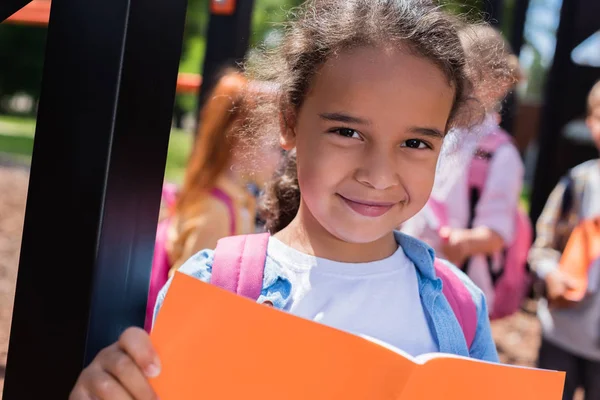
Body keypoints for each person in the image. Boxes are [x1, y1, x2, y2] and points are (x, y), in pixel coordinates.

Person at [69, 1, 511, 398]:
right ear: (289, 122)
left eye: (416, 143)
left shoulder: (459, 307)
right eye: (347, 132)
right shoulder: (213, 287)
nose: (378, 175)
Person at [400, 25, 526, 314]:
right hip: (411, 268)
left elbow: (497, 231)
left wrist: (465, 242)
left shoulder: (500, 154)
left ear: (498, 85)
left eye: (467, 80)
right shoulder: (439, 135)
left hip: (459, 286)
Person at [145, 70, 280, 330]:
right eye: (275, 147)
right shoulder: (215, 212)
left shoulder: (237, 202)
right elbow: (183, 301)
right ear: (242, 140)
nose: (280, 160)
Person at [528, 79, 600, 400]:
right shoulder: (577, 183)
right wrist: (551, 273)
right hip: (563, 330)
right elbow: (541, 247)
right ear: (591, 123)